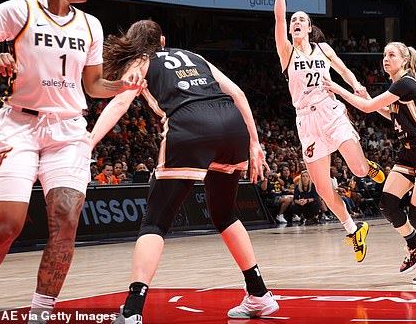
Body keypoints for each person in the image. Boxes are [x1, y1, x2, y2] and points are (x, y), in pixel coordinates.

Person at [0, 0, 144, 321]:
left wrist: (123, 85)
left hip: (67, 130)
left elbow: (93, 85)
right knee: (6, 228)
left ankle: (40, 311)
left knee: (65, 219)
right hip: (19, 125)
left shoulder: (90, 24)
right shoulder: (18, 11)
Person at [88, 20, 279, 322]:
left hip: (191, 128)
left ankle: (133, 310)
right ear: (162, 40)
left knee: (155, 222)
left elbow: (121, 102)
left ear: (136, 43)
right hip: (233, 129)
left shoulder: (140, 61)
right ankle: (259, 294)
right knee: (225, 214)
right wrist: (255, 143)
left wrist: (89, 142)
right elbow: (239, 94)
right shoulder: (194, 57)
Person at [273, 0, 385, 262]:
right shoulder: (287, 51)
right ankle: (353, 229)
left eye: (301, 20)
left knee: (360, 171)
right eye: (293, 19)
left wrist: (358, 86)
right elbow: (278, 16)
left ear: (310, 28)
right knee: (323, 189)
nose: (295, 22)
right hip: (306, 122)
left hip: (330, 111)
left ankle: (367, 166)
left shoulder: (323, 50)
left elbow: (344, 70)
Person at [323, 41, 416, 284]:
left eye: (391, 55)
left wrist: (339, 89)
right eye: (384, 55)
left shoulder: (405, 82)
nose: (386, 58)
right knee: (388, 204)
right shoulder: (397, 86)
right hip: (408, 153)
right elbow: (390, 114)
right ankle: (414, 245)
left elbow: (368, 108)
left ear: (403, 60)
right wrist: (368, 97)